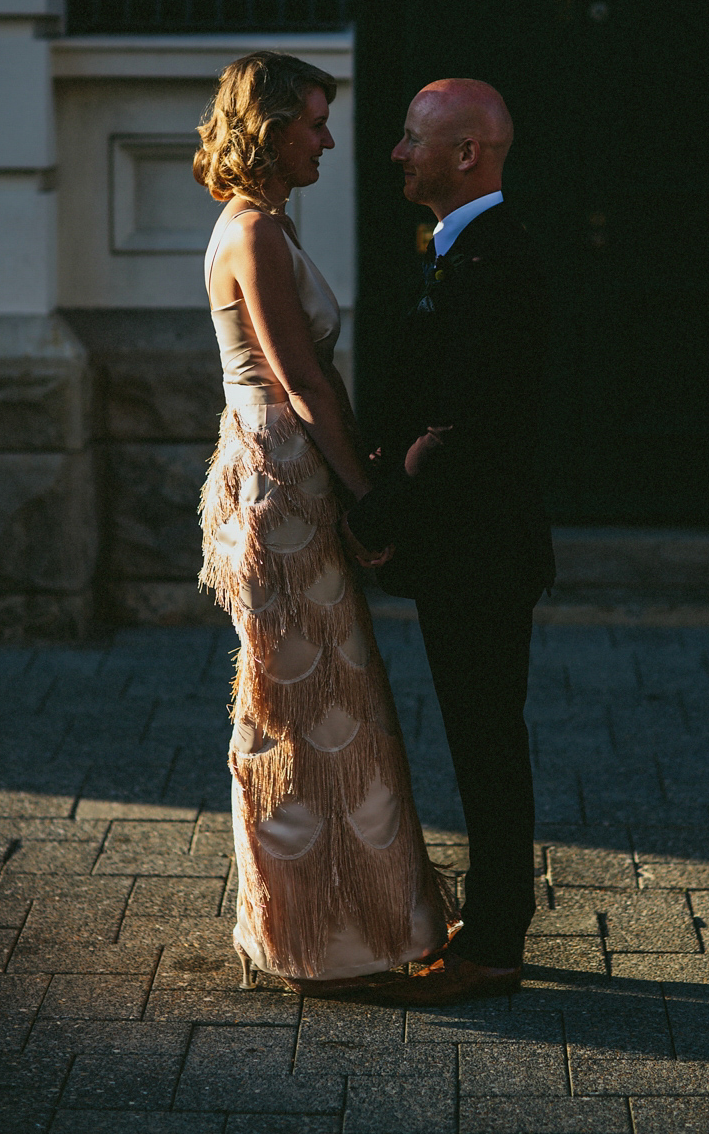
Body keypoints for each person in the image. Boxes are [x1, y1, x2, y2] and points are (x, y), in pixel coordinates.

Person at [195, 51, 452, 994]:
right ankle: (331, 947)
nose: (331, 140)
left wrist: (361, 468)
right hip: (285, 495)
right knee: (309, 713)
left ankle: (352, 925)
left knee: (327, 704)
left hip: (294, 483)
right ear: (267, 129)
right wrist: (367, 499)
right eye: (314, 122)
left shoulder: (268, 225)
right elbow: (302, 384)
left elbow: (316, 380)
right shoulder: (253, 235)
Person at [346, 79, 555, 1005]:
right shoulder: (457, 249)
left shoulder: (498, 263)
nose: (396, 153)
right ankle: (491, 923)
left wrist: (382, 511)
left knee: (485, 741)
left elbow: (466, 430)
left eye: (411, 138)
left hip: (483, 549)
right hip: (465, 544)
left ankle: (495, 945)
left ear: (466, 154)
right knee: (480, 733)